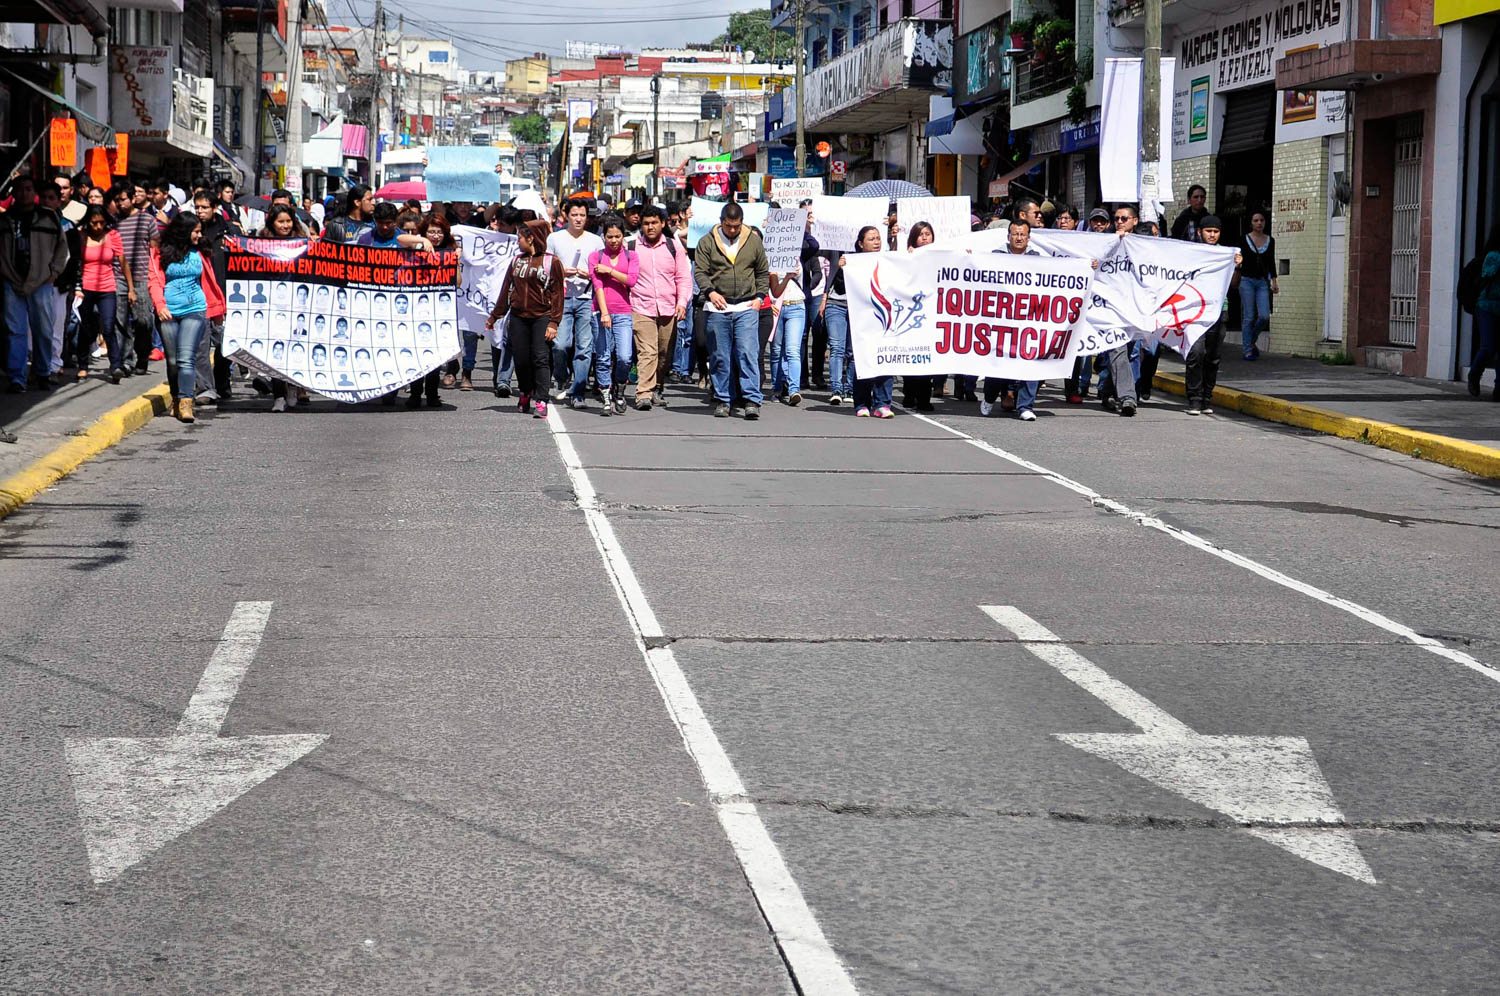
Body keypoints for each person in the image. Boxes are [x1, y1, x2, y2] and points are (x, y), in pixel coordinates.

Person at [695, 201, 769, 419]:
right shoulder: (707, 242)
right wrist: (710, 292)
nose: (733, 230)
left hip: (747, 306)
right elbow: (700, 271)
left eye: (737, 226)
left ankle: (751, 400)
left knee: (747, 352)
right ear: (721, 223)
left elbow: (762, 272)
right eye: (729, 226)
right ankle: (723, 399)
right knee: (720, 355)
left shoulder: (753, 241)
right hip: (718, 307)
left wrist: (759, 297)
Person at [148, 213, 225, 422]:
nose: (200, 235)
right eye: (196, 231)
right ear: (184, 231)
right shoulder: (159, 254)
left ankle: (186, 403)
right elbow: (154, 281)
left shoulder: (201, 251)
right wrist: (160, 305)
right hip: (168, 312)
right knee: (173, 361)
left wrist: (217, 310)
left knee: (186, 358)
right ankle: (176, 398)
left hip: (195, 309)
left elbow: (211, 282)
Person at [486, 219, 563, 418]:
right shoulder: (516, 261)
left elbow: (557, 295)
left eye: (520, 237)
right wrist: (495, 316)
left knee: (540, 358)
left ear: (531, 238)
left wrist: (554, 322)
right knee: (521, 360)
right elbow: (506, 289)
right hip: (518, 317)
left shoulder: (551, 262)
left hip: (542, 317)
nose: (517, 241)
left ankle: (541, 399)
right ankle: (525, 391)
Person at [1, 177, 70, 392]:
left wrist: (53, 273)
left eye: (28, 189)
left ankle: (42, 373)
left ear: (34, 193)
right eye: (19, 190)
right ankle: (17, 378)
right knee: (16, 332)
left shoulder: (48, 218)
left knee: (43, 330)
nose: (24, 193)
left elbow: (62, 250)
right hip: (11, 282)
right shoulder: (4, 220)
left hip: (41, 282)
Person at [626, 205, 691, 410]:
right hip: (640, 306)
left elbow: (683, 277)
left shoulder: (673, 246)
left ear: (662, 223)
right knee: (648, 351)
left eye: (654, 223)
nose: (650, 227)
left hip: (668, 308)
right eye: (646, 224)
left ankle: (657, 387)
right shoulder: (631, 247)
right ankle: (643, 393)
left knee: (664, 353)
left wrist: (682, 303)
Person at [980, 219, 1042, 422]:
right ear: (1008, 236)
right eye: (1015, 234)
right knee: (998, 363)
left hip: (1027, 320)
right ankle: (989, 398)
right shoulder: (997, 257)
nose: (1018, 238)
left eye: (1022, 234)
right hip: (1001, 320)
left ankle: (1024, 405)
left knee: (1029, 361)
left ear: (1028, 237)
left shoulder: (1038, 259)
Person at [545, 198, 604, 406]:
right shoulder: (554, 238)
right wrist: (561, 271)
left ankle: (578, 391)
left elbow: (601, 269)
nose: (578, 219)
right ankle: (562, 378)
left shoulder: (596, 241)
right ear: (566, 216)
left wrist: (590, 274)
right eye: (574, 215)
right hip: (561, 299)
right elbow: (545, 267)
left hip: (587, 299)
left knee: (584, 348)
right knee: (560, 345)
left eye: (582, 215)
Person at [1184, 215, 1242, 415]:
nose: (1212, 235)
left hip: (1219, 310)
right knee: (1196, 353)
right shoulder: (1192, 253)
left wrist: (1237, 266)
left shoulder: (1225, 254)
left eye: (1216, 232)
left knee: (1213, 356)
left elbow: (1234, 285)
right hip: (1195, 311)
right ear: (1200, 232)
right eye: (1208, 231)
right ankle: (1194, 397)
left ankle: (1206, 397)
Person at [192, 190, 241, 406]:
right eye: (197, 208)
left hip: (225, 294)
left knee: (225, 345)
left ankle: (222, 381)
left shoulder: (229, 232)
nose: (200, 212)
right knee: (201, 346)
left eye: (204, 207)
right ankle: (205, 388)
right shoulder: (192, 232)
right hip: (198, 295)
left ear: (214, 208)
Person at [406, 212, 458, 408]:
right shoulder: (417, 247)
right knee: (416, 354)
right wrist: (420, 241)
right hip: (416, 310)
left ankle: (432, 393)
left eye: (439, 233)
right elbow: (401, 239)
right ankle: (415, 393)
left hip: (439, 312)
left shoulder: (449, 251)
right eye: (432, 232)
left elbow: (458, 283)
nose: (436, 236)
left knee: (435, 355)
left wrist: (456, 264)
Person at [75, 206, 130, 383]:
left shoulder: (113, 236)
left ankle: (115, 366)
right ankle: (82, 366)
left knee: (108, 327)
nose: (98, 227)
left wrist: (131, 288)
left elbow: (123, 262)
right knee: (86, 327)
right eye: (94, 223)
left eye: (101, 222)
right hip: (86, 288)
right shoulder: (81, 236)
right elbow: (76, 263)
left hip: (108, 288)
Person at [589, 216, 638, 416]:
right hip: (600, 311)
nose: (614, 240)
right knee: (603, 357)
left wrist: (609, 270)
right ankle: (606, 396)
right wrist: (604, 313)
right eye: (610, 237)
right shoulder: (596, 256)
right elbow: (597, 285)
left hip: (624, 311)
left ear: (623, 236)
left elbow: (632, 280)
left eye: (618, 236)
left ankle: (620, 387)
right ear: (604, 237)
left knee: (625, 357)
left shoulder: (631, 256)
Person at [845, 225, 894, 418]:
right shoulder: (852, 262)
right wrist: (843, 268)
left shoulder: (890, 260)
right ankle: (862, 403)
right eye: (871, 239)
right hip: (862, 318)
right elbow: (841, 287)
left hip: (886, 316)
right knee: (863, 358)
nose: (876, 242)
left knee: (886, 355)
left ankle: (883, 403)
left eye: (878, 238)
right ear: (860, 243)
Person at [1096, 204, 1140, 416]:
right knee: (1117, 348)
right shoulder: (1106, 243)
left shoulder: (1144, 245)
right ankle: (1128, 398)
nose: (1120, 222)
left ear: (1135, 221)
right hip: (1110, 308)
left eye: (1124, 218)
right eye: (1117, 219)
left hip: (1135, 309)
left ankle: (1107, 391)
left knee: (1132, 352)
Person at [902, 221, 937, 411]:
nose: (924, 238)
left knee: (928, 357)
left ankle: (925, 398)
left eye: (928, 234)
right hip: (912, 312)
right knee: (911, 353)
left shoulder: (941, 256)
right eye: (920, 234)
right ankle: (909, 393)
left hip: (932, 312)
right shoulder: (907, 256)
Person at [1238, 209, 1277, 360]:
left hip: (1262, 281)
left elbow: (1271, 261)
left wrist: (1274, 280)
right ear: (1251, 223)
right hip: (1246, 280)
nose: (1259, 223)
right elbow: (1237, 258)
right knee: (1249, 316)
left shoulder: (1270, 240)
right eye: (1256, 220)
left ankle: (1250, 341)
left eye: (1261, 220)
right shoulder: (1243, 239)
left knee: (1264, 316)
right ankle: (1247, 350)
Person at [1467, 227, 1500, 400]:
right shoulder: (1493, 256)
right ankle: (1474, 374)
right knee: (1489, 346)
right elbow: (1487, 274)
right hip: (1487, 306)